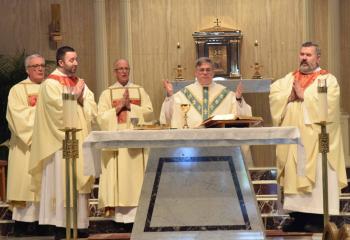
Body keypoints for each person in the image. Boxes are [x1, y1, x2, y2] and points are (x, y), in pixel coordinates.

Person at [269, 41, 347, 232]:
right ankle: (298, 218)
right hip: (294, 141)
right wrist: (288, 96)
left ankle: (319, 218)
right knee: (295, 176)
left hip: (317, 141)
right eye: (302, 54)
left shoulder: (327, 80)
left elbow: (330, 104)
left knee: (318, 179)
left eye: (309, 55)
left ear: (318, 58)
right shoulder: (288, 79)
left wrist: (304, 95)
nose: (304, 58)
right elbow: (274, 95)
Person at [29, 46, 97, 239]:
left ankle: (80, 223)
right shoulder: (50, 84)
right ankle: (61, 225)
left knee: (78, 180)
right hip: (60, 143)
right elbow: (56, 110)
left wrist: (82, 95)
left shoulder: (78, 82)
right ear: (60, 62)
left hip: (79, 139)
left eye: (76, 59)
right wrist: (74, 95)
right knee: (62, 181)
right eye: (71, 60)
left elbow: (91, 107)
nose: (76, 63)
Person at [97, 59, 153, 231]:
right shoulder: (107, 93)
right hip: (117, 146)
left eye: (126, 69)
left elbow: (150, 113)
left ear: (129, 70)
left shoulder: (139, 91)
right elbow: (100, 117)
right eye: (120, 69)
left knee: (136, 182)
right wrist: (117, 108)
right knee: (119, 181)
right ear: (115, 71)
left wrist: (131, 108)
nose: (123, 72)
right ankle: (119, 219)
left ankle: (138, 217)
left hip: (136, 146)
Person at [6, 54, 45, 236]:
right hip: (25, 147)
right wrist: (40, 113)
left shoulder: (50, 89)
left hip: (46, 147)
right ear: (27, 69)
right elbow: (17, 116)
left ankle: (43, 223)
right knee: (25, 184)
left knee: (44, 186)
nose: (40, 69)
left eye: (42, 65)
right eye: (35, 66)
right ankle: (21, 225)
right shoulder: (17, 90)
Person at [160, 57, 252, 129]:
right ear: (196, 73)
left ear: (213, 73)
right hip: (191, 142)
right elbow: (168, 115)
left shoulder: (227, 94)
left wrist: (238, 99)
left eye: (208, 70)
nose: (205, 73)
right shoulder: (183, 94)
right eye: (201, 70)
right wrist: (169, 95)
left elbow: (242, 116)